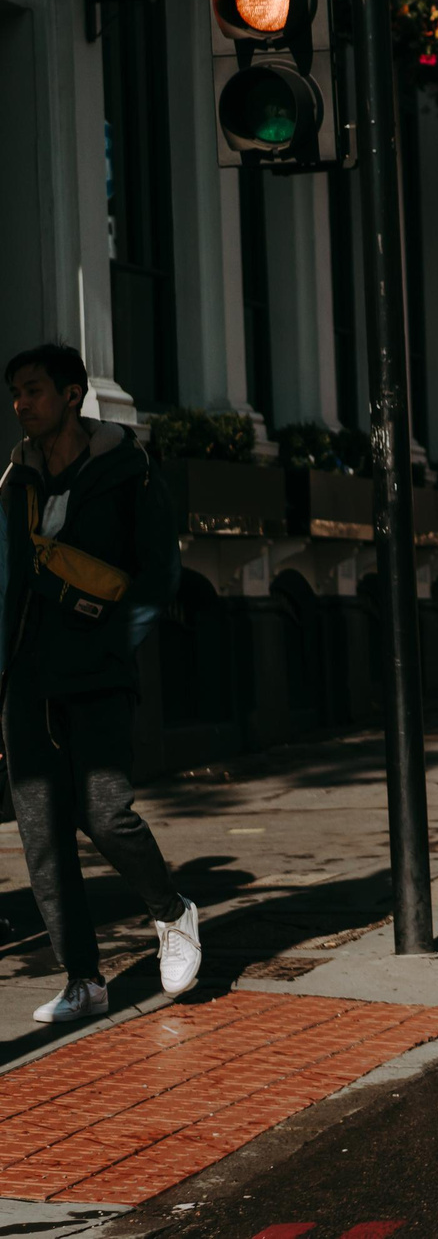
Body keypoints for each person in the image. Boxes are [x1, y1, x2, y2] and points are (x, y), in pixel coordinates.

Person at [0, 344, 192, 1024]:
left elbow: (159, 575)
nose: (21, 405)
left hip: (99, 670)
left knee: (104, 811)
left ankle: (171, 912)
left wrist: (114, 639)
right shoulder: (15, 482)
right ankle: (84, 978)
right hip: (26, 676)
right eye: (16, 394)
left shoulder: (128, 472)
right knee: (43, 835)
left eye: (33, 391)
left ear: (73, 394)